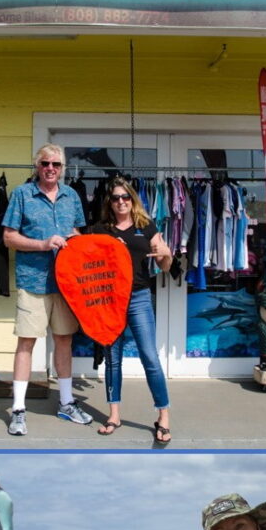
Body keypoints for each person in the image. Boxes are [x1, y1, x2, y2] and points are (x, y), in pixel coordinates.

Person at [2, 143, 91, 436]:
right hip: (33, 280)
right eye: (45, 164)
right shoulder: (22, 194)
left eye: (56, 164)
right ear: (36, 166)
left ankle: (66, 403)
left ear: (62, 168)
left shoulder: (72, 196)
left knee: (64, 340)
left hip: (66, 284)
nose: (50, 169)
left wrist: (74, 240)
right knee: (26, 343)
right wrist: (43, 244)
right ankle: (18, 410)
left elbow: (78, 232)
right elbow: (9, 238)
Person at [90, 178, 172, 442]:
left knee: (150, 357)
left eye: (125, 197)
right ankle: (114, 415)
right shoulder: (102, 229)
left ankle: (163, 417)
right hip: (110, 301)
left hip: (138, 298)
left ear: (133, 199)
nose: (121, 201)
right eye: (115, 198)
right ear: (110, 203)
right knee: (113, 359)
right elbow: (81, 253)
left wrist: (166, 254)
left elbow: (166, 265)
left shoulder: (146, 226)